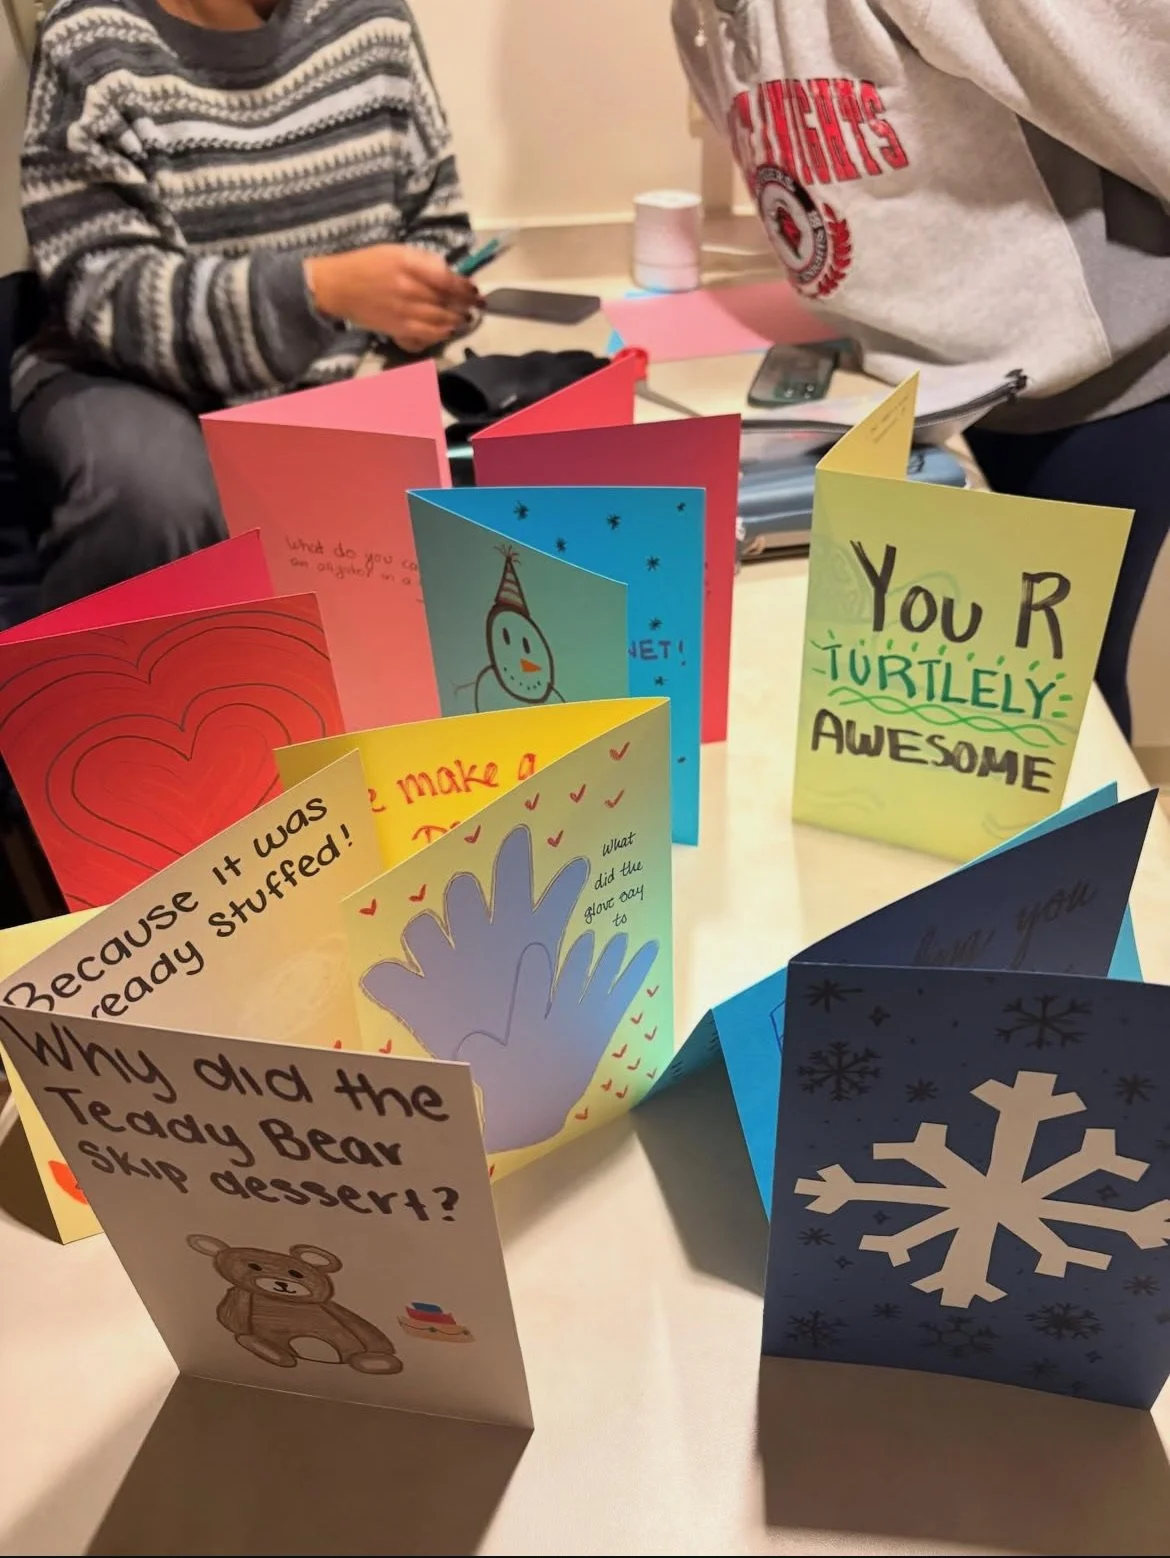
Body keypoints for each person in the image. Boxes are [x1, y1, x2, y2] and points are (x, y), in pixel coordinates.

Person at [676, 0, 1170, 740]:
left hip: (1091, 395)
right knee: (938, 719)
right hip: (913, 394)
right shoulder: (698, 17)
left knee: (1057, 722)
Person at [14, 0, 478, 609]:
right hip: (126, 378)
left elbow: (435, 226)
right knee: (152, 494)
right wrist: (320, 293)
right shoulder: (90, 40)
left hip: (338, 374)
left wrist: (421, 309)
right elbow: (109, 296)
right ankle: (93, 696)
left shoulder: (374, 22)